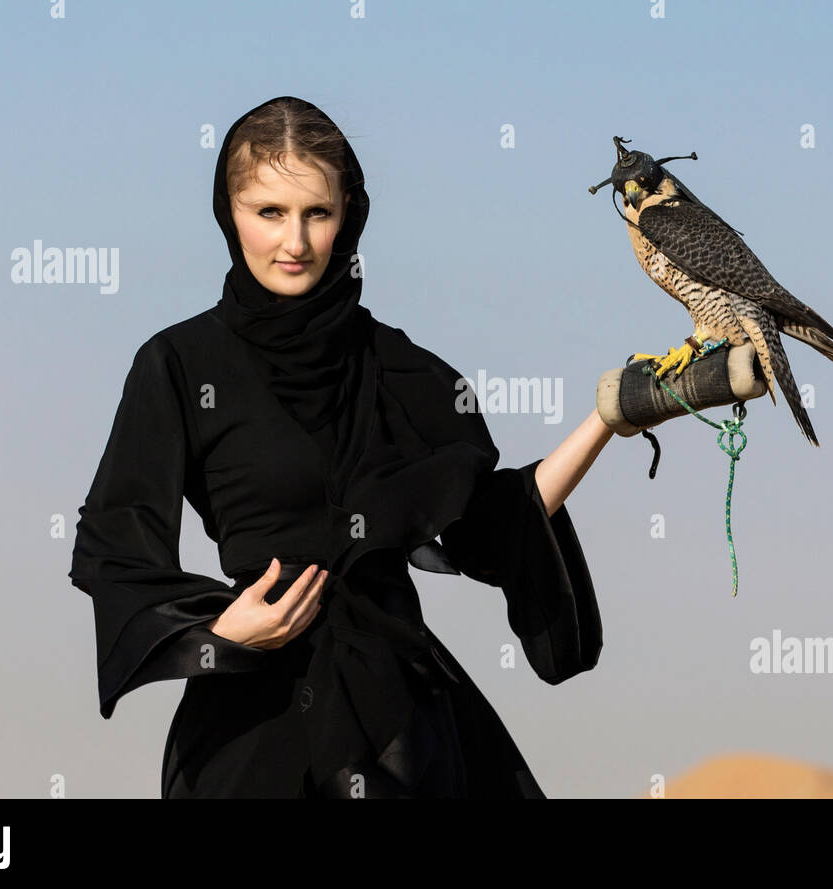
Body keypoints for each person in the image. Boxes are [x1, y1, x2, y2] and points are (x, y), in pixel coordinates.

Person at [67, 96, 765, 799]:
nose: (296, 241)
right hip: (246, 730)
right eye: (269, 211)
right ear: (230, 213)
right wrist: (222, 629)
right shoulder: (179, 364)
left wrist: (610, 419)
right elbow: (113, 546)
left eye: (317, 212)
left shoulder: (395, 366)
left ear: (350, 215)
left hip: (397, 721)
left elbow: (496, 521)